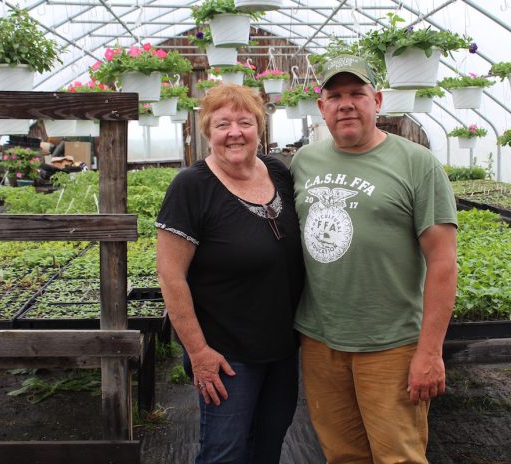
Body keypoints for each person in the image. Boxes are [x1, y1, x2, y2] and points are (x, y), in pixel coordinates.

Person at [290, 55, 458, 463]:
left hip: (390, 344)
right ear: (322, 107)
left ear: (377, 101)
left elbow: (443, 262)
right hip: (320, 340)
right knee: (341, 454)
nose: (346, 103)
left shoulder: (417, 163)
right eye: (335, 95)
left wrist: (430, 352)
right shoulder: (303, 163)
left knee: (398, 456)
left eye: (357, 94)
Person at [156, 84, 304, 464]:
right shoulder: (191, 187)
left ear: (260, 128)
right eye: (222, 124)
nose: (235, 132)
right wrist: (199, 353)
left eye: (245, 121)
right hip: (226, 355)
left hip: (281, 348)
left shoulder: (276, 172)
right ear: (208, 132)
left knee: (268, 445)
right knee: (225, 453)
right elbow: (171, 277)